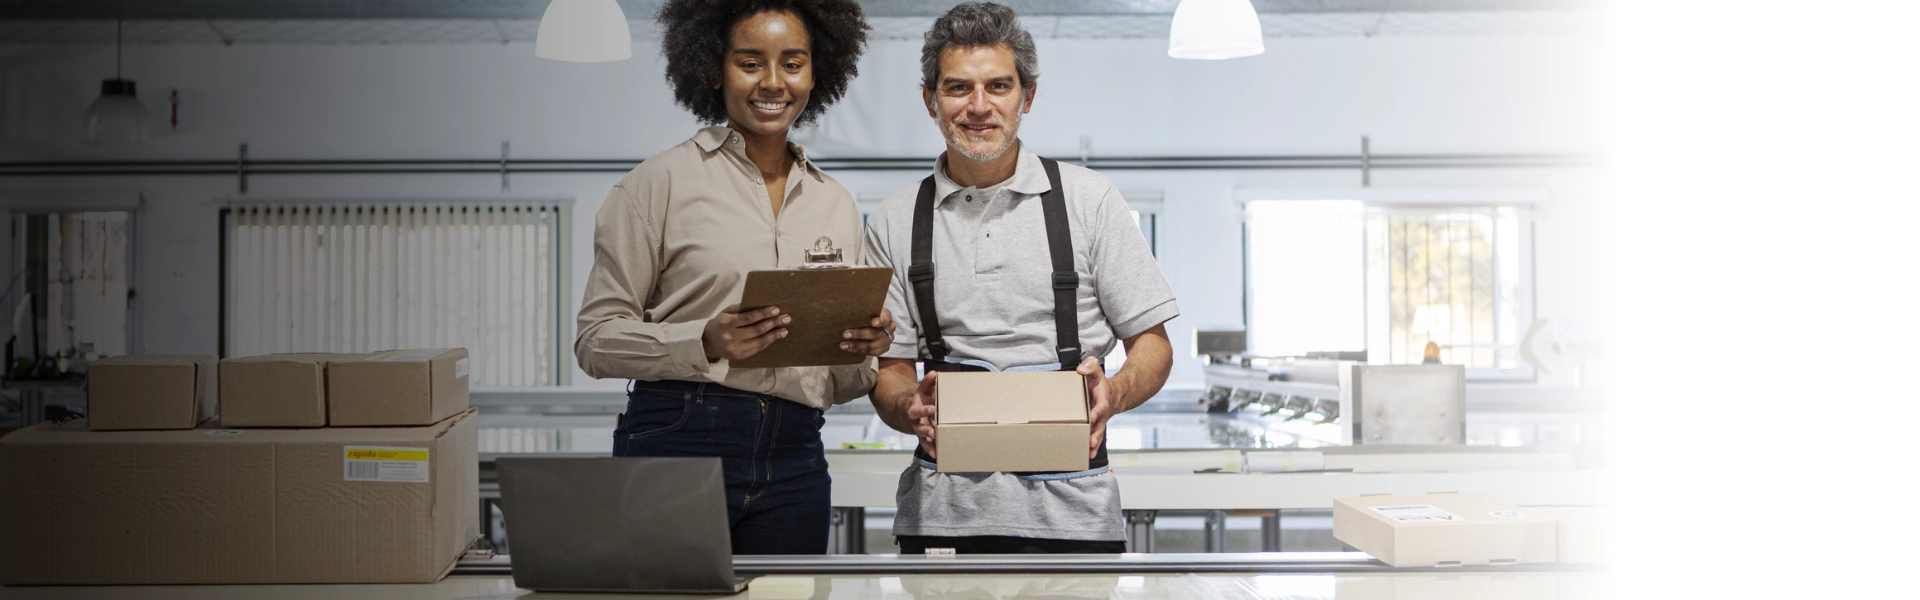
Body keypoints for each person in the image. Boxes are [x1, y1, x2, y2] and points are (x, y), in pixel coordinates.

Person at [865, 2, 1179, 554]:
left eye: (999, 86)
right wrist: (906, 407)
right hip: (942, 518)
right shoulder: (894, 218)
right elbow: (889, 371)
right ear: (930, 100)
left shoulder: (1090, 200)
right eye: (958, 87)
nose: (979, 107)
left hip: (1075, 516)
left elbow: (1152, 345)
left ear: (1027, 96)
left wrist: (1116, 392)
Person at [574, 0, 885, 555]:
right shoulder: (657, 184)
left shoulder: (835, 202)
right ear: (714, 69)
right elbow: (595, 340)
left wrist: (861, 350)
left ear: (818, 71)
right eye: (749, 62)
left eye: (792, 63)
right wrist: (703, 341)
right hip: (680, 437)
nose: (773, 82)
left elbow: (841, 383)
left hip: (796, 455)